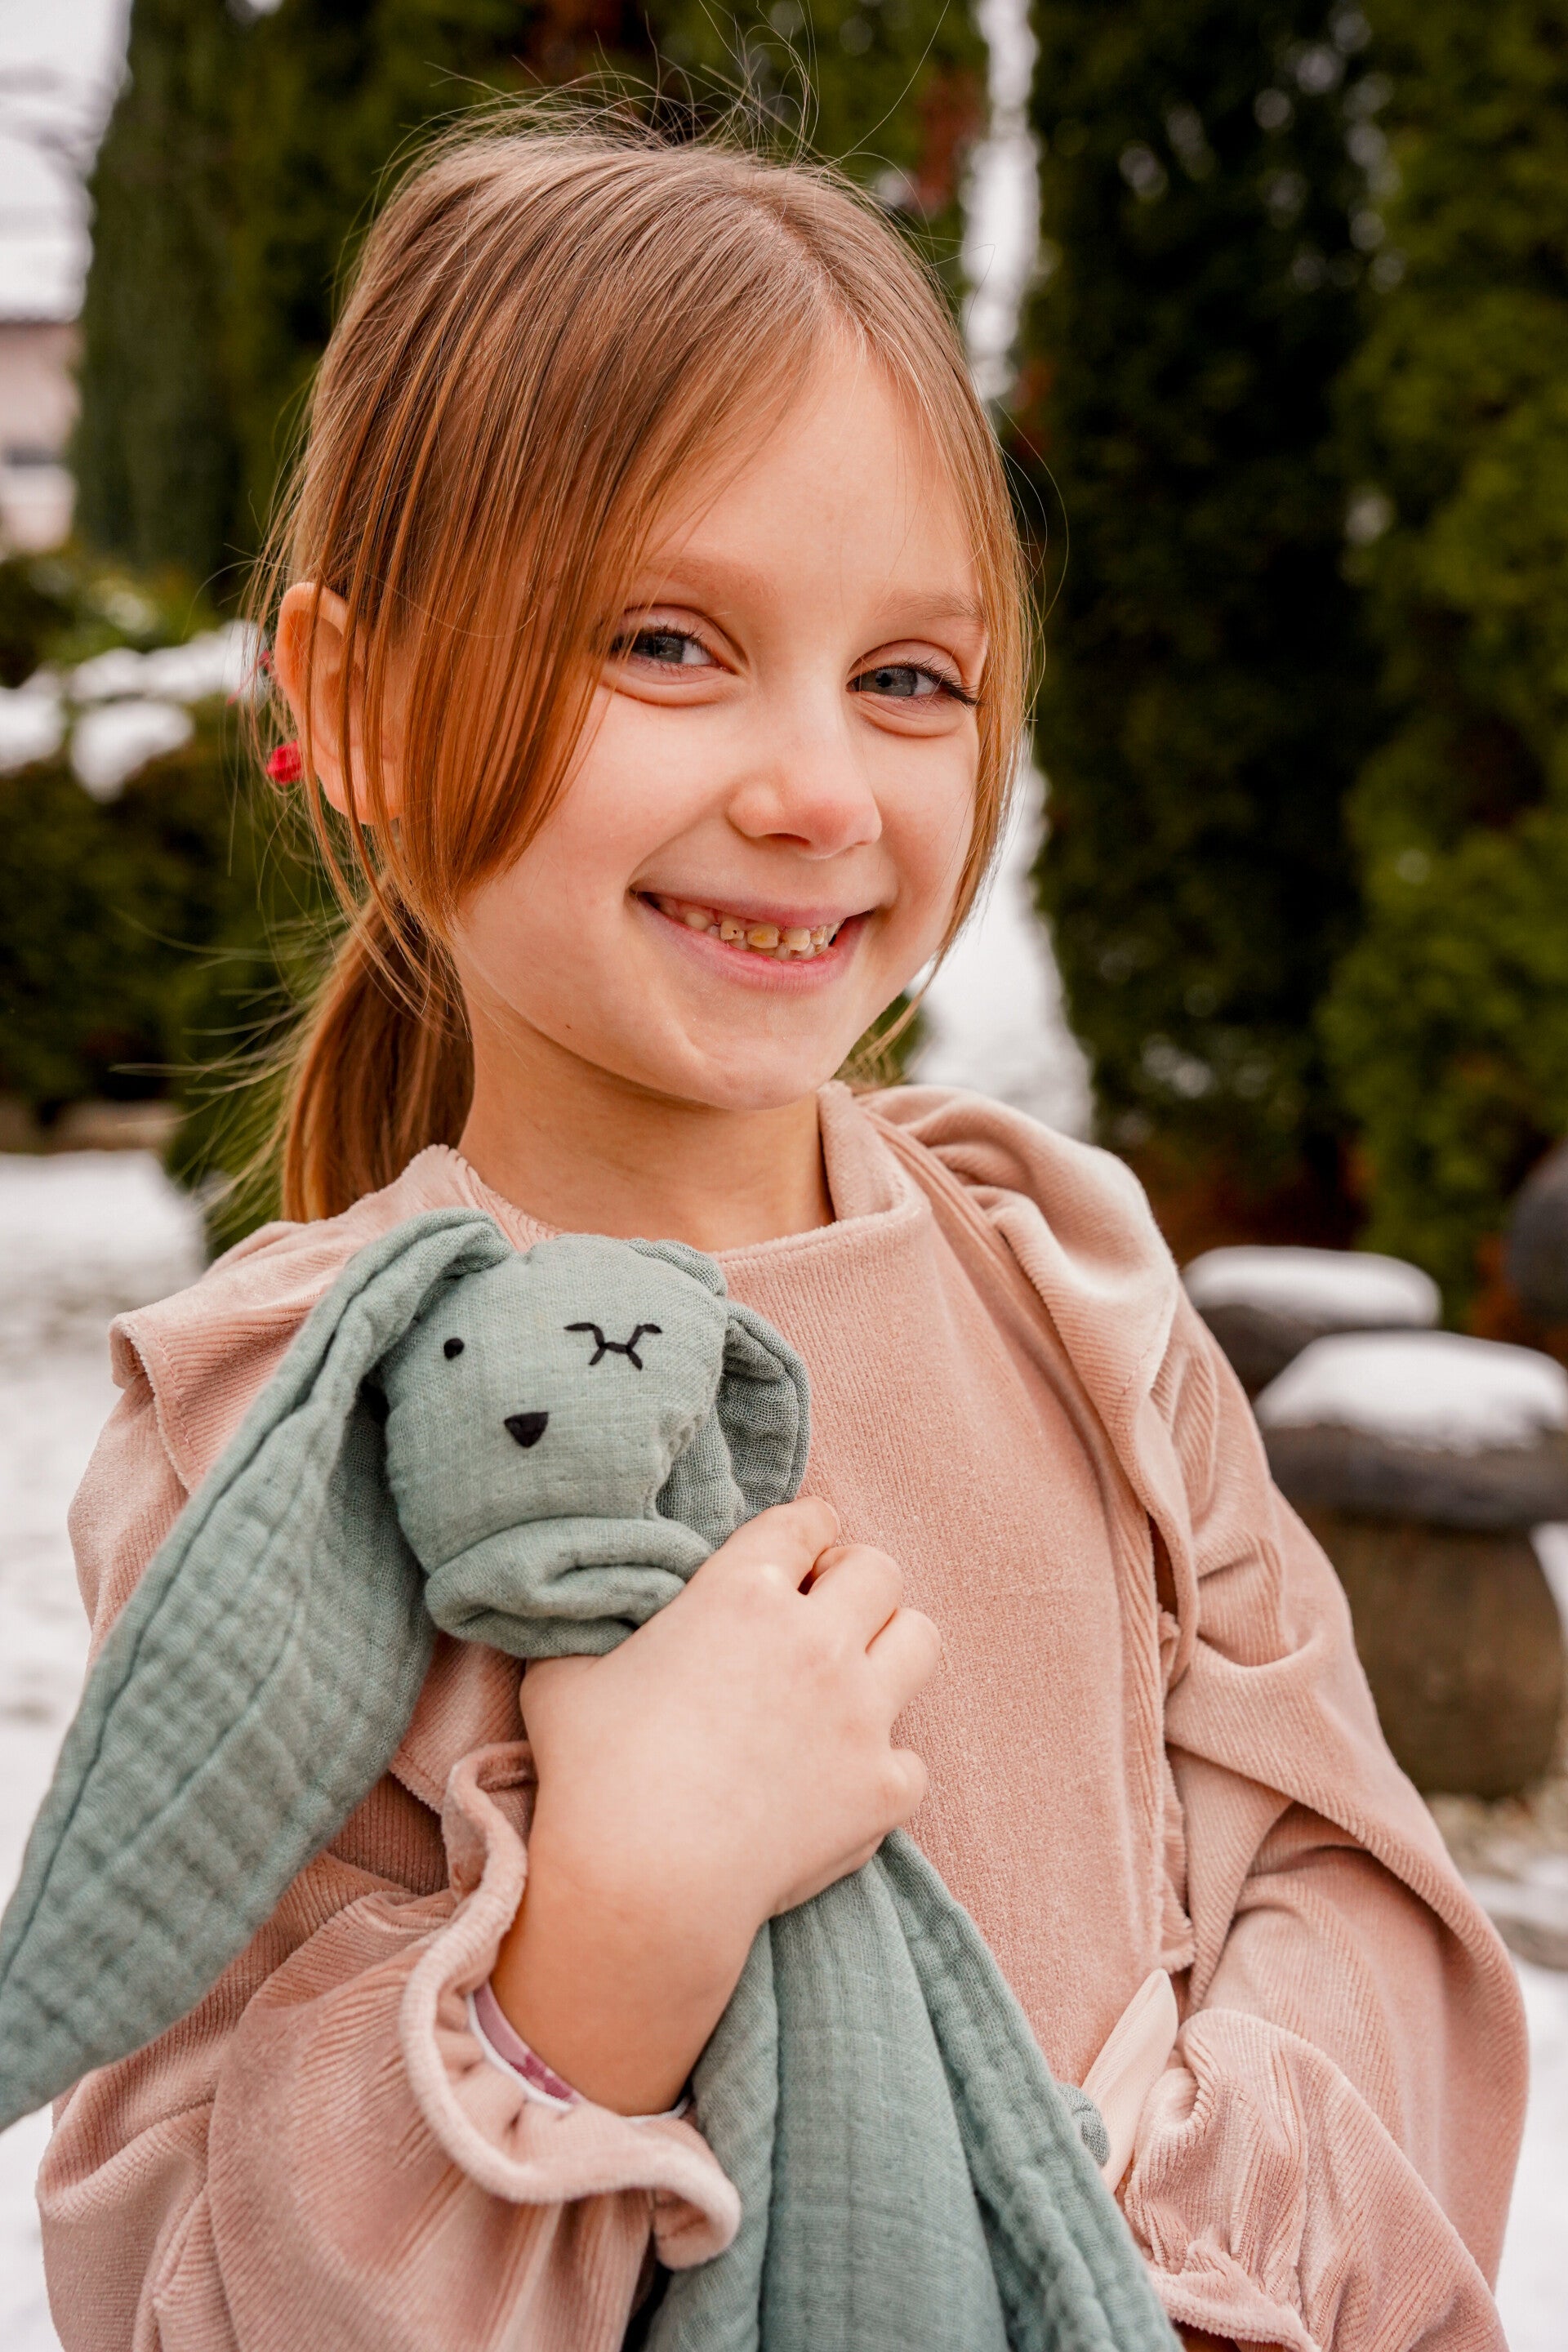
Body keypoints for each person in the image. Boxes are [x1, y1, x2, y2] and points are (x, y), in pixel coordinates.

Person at [38, 114, 1524, 2352]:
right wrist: (603, 1947)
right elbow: (190, 2291)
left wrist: (1117, 2243)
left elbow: (1353, 1894)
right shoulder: (288, 1430)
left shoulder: (1071, 1286)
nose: (821, 791)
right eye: (668, 642)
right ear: (351, 705)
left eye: (911, 678)